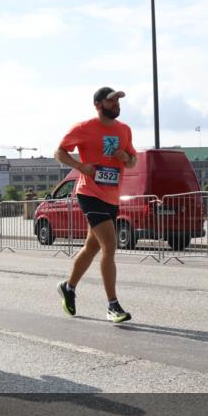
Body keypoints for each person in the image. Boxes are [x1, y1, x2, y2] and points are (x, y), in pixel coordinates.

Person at [54, 86, 137, 324]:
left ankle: (68, 287)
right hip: (89, 193)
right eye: (111, 101)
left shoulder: (124, 130)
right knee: (109, 245)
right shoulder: (84, 128)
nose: (116, 105)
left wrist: (127, 158)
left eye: (118, 101)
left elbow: (133, 161)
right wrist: (80, 167)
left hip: (112, 196)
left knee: (92, 248)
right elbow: (59, 152)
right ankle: (113, 305)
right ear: (98, 105)